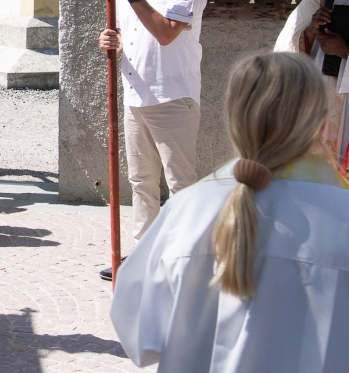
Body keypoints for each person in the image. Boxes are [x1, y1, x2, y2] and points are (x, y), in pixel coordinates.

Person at [111, 52, 349, 372]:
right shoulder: (341, 216)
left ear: (233, 120)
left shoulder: (186, 210)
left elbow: (140, 336)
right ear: (322, 124)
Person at [97, 0, 205, 282]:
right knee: (141, 181)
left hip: (172, 95)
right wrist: (110, 42)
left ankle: (186, 258)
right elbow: (129, 37)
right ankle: (144, 254)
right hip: (136, 95)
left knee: (180, 182)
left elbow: (166, 32)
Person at [275, 0, 349, 169]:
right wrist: (309, 32)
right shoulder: (313, 3)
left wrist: (344, 51)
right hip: (318, 103)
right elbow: (284, 55)